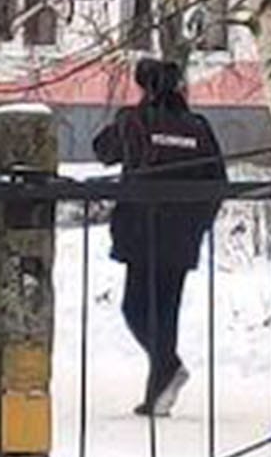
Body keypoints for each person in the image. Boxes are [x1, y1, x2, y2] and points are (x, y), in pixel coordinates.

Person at [93, 59, 227, 417]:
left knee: (135, 308)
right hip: (182, 235)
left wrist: (131, 118)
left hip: (142, 230)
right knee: (166, 312)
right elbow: (218, 181)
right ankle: (157, 394)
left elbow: (102, 150)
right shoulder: (198, 127)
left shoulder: (135, 121)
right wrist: (199, 223)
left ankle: (167, 367)